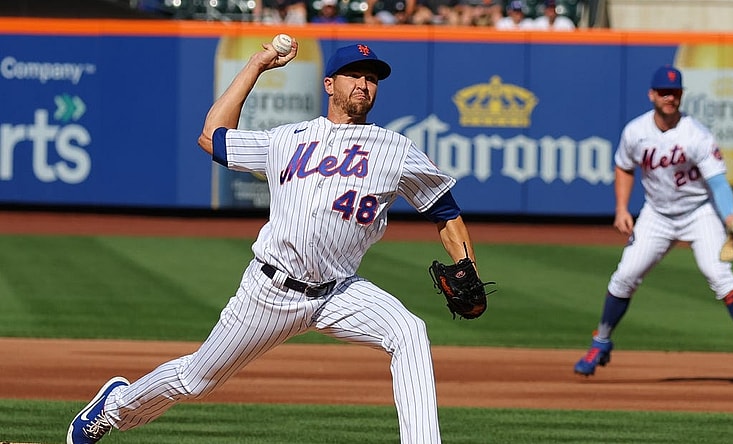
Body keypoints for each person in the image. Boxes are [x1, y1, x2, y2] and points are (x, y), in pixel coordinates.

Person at [66, 41, 484, 444]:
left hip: (339, 291)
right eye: (353, 74)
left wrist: (468, 267)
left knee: (409, 332)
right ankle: (114, 406)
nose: (363, 83)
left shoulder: (396, 151)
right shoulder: (287, 139)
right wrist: (256, 65)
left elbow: (445, 213)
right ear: (329, 85)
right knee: (195, 380)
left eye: (372, 77)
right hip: (271, 290)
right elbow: (211, 137)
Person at [573, 65, 733, 379]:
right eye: (664, 92)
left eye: (676, 92)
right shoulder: (636, 131)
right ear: (652, 94)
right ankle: (600, 341)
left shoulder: (696, 134)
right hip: (656, 215)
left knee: (719, 275)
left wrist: (731, 218)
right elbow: (623, 167)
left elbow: (719, 183)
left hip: (699, 213)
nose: (670, 97)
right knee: (624, 276)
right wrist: (622, 208)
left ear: (682, 95)